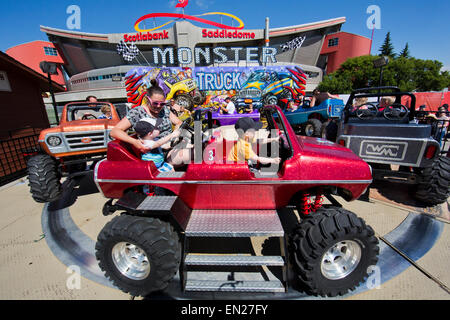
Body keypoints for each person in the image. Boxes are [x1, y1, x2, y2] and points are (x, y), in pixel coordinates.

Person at [111, 79, 189, 164]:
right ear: (147, 99)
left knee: (200, 146)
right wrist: (134, 141)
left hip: (171, 146)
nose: (159, 106)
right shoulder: (137, 112)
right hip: (156, 153)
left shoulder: (164, 110)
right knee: (196, 154)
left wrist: (174, 137)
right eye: (155, 103)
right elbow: (114, 131)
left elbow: (178, 123)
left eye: (162, 104)